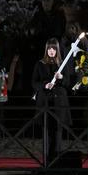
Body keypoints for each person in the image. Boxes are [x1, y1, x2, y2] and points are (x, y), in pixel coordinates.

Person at [32, 38, 72, 166]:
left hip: (59, 103)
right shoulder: (39, 64)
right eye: (49, 48)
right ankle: (47, 161)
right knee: (47, 131)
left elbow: (68, 83)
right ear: (46, 50)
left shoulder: (62, 64)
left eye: (54, 49)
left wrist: (62, 78)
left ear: (57, 50)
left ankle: (57, 160)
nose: (51, 51)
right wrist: (44, 85)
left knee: (58, 131)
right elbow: (34, 83)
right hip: (45, 102)